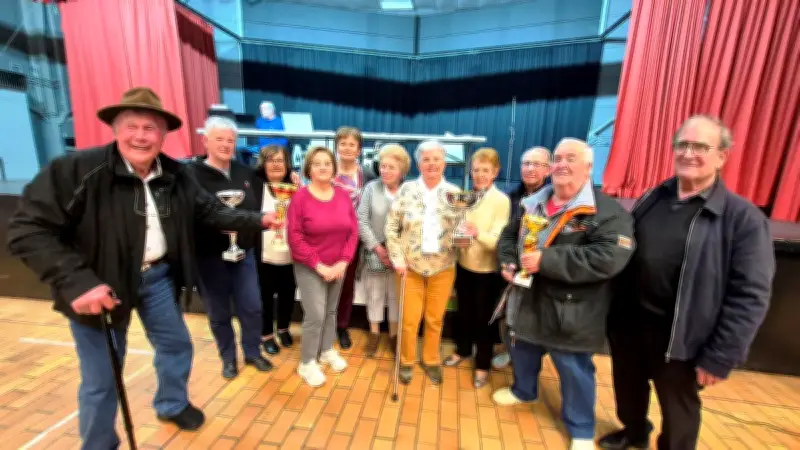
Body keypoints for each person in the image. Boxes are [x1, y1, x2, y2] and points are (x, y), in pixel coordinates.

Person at [6, 87, 276, 449]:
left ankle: (172, 402)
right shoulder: (76, 170)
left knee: (177, 345)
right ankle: (99, 444)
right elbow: (27, 229)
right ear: (115, 128)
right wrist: (77, 282)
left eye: (151, 128)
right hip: (97, 285)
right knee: (103, 377)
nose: (141, 136)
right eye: (132, 126)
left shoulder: (177, 175)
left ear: (163, 135)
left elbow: (211, 211)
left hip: (157, 278)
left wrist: (259, 220)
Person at [599, 116, 775, 450]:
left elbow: (750, 296)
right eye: (683, 144)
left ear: (722, 156)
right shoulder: (654, 197)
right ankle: (635, 432)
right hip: (631, 326)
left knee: (679, 411)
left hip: (683, 337)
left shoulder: (744, 219)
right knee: (628, 390)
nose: (689, 153)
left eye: (700, 147)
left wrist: (721, 355)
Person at [494, 138, 635, 450]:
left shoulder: (607, 212)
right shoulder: (532, 202)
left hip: (572, 310)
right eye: (557, 158)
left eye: (571, 158)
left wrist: (548, 260)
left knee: (573, 368)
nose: (561, 164)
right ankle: (523, 390)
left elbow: (608, 258)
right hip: (527, 298)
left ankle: (581, 428)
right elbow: (509, 235)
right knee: (523, 349)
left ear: (588, 167)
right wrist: (506, 260)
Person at [190, 116, 273, 379]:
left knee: (252, 306)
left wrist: (291, 177)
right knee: (218, 312)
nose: (226, 145)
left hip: (244, 254)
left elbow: (268, 190)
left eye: (230, 140)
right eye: (219, 139)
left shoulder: (244, 172)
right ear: (205, 141)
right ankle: (227, 358)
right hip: (209, 257)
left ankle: (252, 352)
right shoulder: (191, 175)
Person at [385, 140, 460, 385]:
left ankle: (430, 359)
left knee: (435, 318)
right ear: (418, 164)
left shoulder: (455, 193)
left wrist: (467, 234)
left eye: (436, 159)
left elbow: (461, 231)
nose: (432, 164)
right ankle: (406, 361)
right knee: (409, 319)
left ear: (444, 163)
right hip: (409, 267)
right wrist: (397, 259)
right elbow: (391, 228)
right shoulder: (406, 190)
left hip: (443, 266)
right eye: (426, 159)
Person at [287, 146, 359, 387]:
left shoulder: (342, 196)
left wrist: (343, 262)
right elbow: (295, 237)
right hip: (310, 266)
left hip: (338, 265)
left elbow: (353, 231)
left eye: (327, 163)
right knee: (315, 315)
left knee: (330, 312)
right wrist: (319, 266)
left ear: (333, 168)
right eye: (317, 163)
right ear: (308, 168)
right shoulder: (300, 197)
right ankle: (307, 362)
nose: (323, 167)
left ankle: (326, 349)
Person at [443, 148, 511, 388]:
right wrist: (455, 238)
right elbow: (462, 231)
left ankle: (482, 365)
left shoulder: (501, 201)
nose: (480, 175)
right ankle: (462, 350)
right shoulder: (467, 195)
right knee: (463, 313)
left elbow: (497, 241)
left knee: (484, 320)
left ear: (495, 172)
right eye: (476, 170)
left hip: (487, 272)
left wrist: (476, 233)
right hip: (464, 266)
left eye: (485, 170)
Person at [493, 146, 552, 369]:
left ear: (548, 169)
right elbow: (505, 234)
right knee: (506, 314)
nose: (530, 168)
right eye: (526, 163)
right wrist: (506, 261)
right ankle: (510, 351)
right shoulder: (508, 195)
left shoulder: (555, 198)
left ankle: (530, 358)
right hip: (509, 266)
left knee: (531, 317)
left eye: (536, 164)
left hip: (539, 269)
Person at [357, 143, 410, 357]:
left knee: (396, 297)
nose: (385, 171)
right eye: (383, 166)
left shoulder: (410, 191)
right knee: (375, 295)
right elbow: (361, 219)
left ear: (402, 171)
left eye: (391, 167)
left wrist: (397, 252)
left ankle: (395, 336)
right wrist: (378, 248)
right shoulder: (371, 188)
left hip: (401, 256)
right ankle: (374, 334)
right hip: (375, 252)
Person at [251, 144, 299, 356]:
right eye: (271, 160)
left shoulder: (296, 186)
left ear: (287, 164)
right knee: (265, 296)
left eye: (280, 160)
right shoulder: (254, 186)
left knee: (288, 294)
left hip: (290, 253)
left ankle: (284, 329)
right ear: (263, 164)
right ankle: (266, 335)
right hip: (264, 254)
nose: (276, 164)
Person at [332, 126, 376, 350]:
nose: (347, 148)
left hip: (352, 239)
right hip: (325, 237)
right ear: (336, 146)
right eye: (343, 143)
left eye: (352, 144)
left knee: (346, 285)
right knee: (322, 282)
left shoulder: (367, 175)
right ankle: (324, 325)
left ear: (359, 149)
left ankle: (341, 326)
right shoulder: (325, 168)